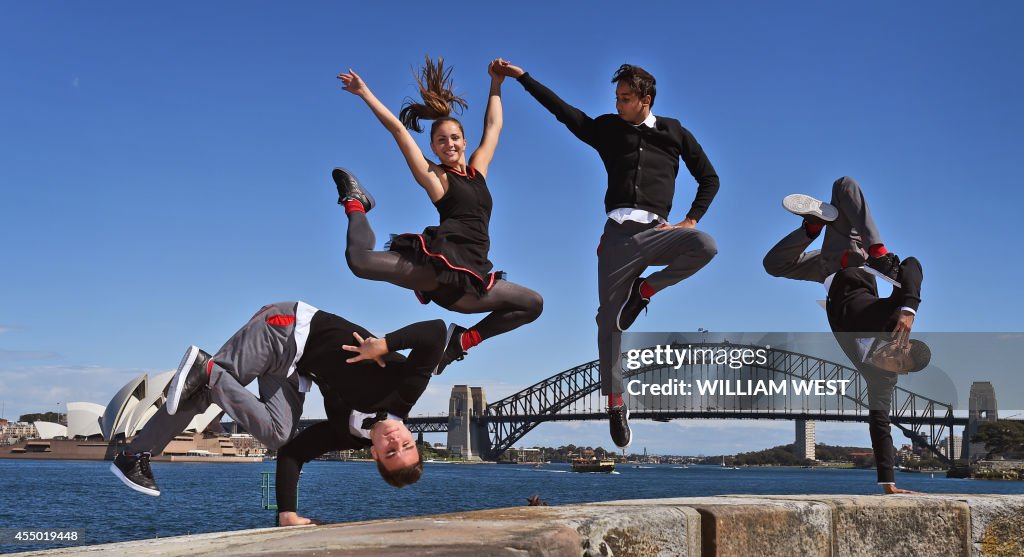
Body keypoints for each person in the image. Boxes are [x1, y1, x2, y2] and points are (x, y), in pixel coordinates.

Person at [495, 60, 720, 448]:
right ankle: (616, 403)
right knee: (608, 324)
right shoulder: (608, 130)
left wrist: (691, 219)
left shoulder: (675, 131)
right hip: (617, 238)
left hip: (658, 232)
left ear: (646, 100)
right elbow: (566, 115)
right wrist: (523, 79)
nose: (618, 104)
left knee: (705, 246)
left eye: (625, 98)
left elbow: (709, 178)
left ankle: (644, 292)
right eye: (616, 97)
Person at [109, 301, 446, 499]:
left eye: (390, 452)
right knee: (200, 393)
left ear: (375, 454)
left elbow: (292, 454)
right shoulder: (405, 392)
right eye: (406, 446)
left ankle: (204, 377)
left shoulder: (349, 433)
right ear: (412, 439)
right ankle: (136, 451)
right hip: (287, 330)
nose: (395, 442)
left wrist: (286, 514)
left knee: (279, 433)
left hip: (291, 368)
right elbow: (435, 332)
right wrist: (385, 345)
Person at [335, 57, 543, 376]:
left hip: (474, 281)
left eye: (454, 138)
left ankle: (461, 340)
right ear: (433, 146)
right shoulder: (437, 178)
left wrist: (496, 83)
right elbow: (397, 129)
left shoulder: (478, 171)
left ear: (464, 142)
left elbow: (493, 126)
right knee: (359, 262)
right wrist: (365, 93)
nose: (449, 144)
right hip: (437, 269)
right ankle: (355, 202)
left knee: (533, 303)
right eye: (441, 140)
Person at [825, 255, 931, 494]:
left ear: (901, 373)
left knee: (773, 265)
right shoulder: (893, 321)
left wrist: (888, 483)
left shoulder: (881, 380)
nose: (892, 355)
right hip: (850, 264)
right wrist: (909, 309)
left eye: (899, 362)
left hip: (828, 287)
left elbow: (881, 426)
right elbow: (913, 263)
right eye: (899, 349)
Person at [763, 176, 900, 285]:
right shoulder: (839, 252)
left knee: (843, 185)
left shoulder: (826, 260)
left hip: (833, 267)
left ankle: (813, 226)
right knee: (843, 185)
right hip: (851, 258)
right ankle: (878, 254)